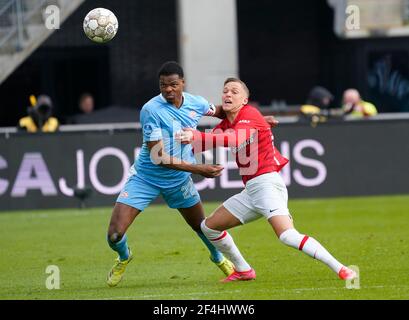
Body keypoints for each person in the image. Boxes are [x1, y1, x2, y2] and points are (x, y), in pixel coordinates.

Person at [105, 61, 278, 287]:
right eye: (163, 85)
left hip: (178, 181)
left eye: (173, 85)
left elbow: (224, 112)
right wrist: (199, 169)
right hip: (145, 178)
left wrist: (256, 122)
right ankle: (124, 256)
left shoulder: (195, 103)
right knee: (114, 235)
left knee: (203, 227)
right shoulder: (150, 110)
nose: (168, 90)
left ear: (182, 84)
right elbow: (160, 158)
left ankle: (217, 257)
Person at [177, 77, 357, 282]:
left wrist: (198, 135)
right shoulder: (228, 123)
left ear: (245, 100)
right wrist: (169, 148)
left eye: (235, 91)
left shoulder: (250, 114)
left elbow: (234, 139)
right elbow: (198, 146)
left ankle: (343, 269)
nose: (228, 94)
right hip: (252, 191)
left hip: (267, 184)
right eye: (225, 91)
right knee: (209, 227)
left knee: (287, 235)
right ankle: (244, 270)